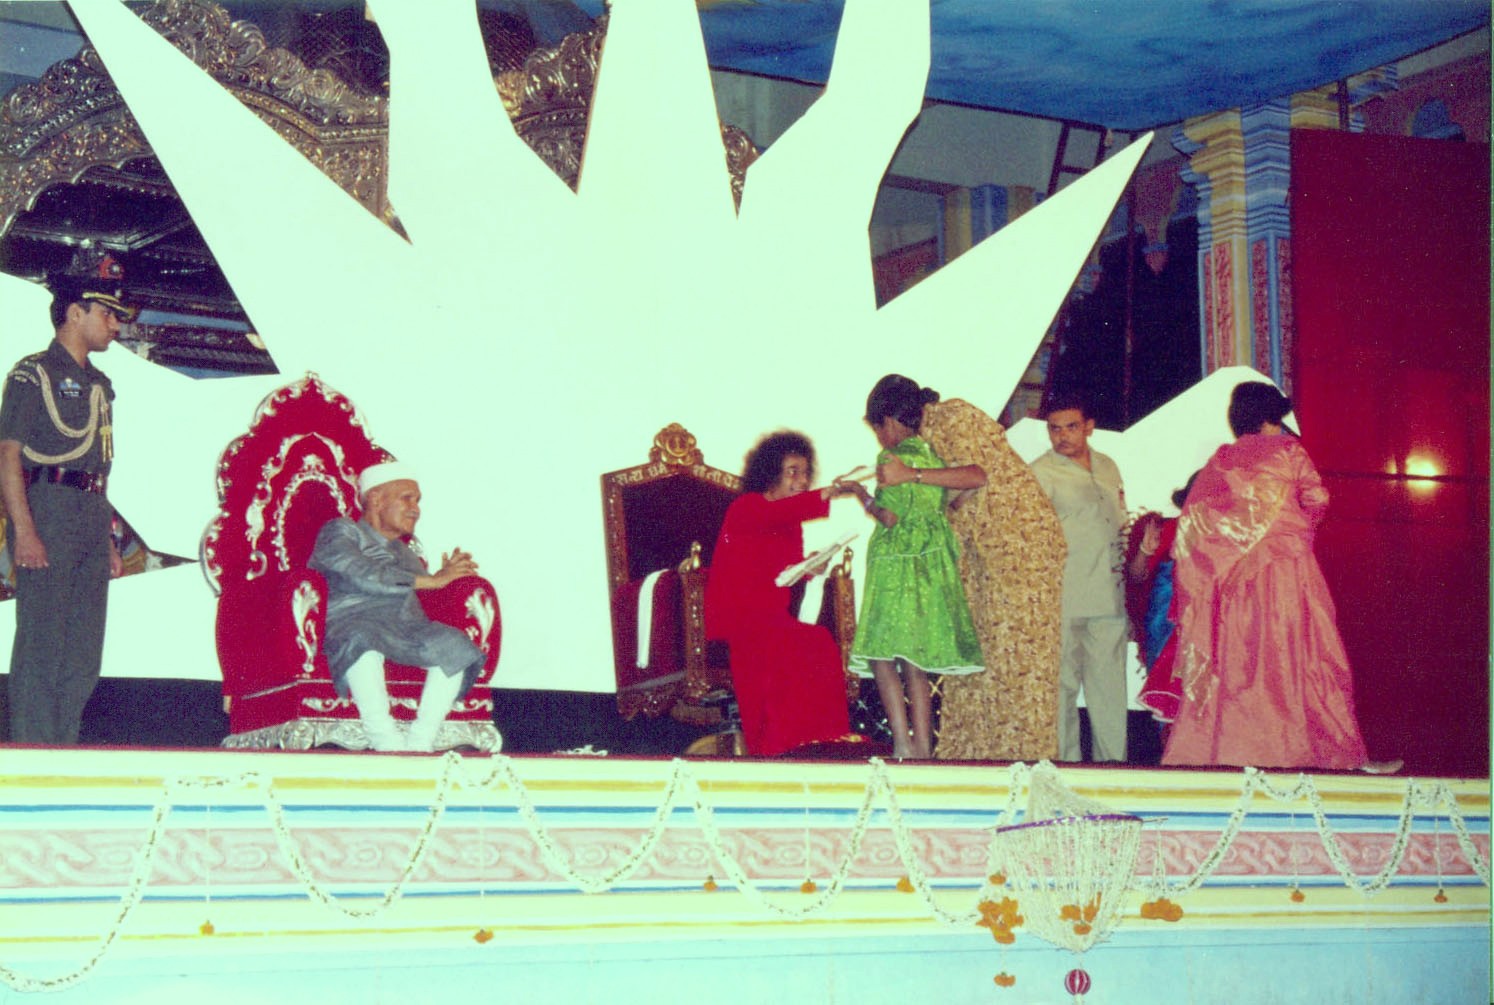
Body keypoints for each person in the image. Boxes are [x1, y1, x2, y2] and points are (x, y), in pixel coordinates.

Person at [1161, 382, 1399, 772]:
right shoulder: (1289, 450)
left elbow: (1196, 516)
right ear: (1271, 417)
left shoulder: (1223, 459)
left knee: (1241, 660)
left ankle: (1229, 751)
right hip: (1289, 571)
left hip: (1237, 580)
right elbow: (1317, 499)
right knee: (1305, 655)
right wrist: (1291, 529)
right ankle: (1320, 752)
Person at [0, 270, 133, 744]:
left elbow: (99, 466)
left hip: (91, 514)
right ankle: (34, 751)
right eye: (107, 314)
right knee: (42, 642)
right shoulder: (33, 373)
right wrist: (24, 531)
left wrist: (108, 540)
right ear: (76, 313)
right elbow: (8, 455)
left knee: (83, 649)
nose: (115, 324)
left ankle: (64, 748)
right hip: (48, 508)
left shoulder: (99, 383)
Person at [845, 375, 986, 760]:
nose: (879, 438)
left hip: (896, 567)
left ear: (889, 422)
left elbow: (890, 517)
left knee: (882, 655)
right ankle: (924, 746)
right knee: (915, 662)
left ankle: (902, 743)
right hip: (932, 566)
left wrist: (862, 496)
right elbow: (958, 493)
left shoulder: (891, 458)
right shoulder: (932, 454)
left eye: (877, 429)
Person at [920, 397, 1066, 762]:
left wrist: (912, 476)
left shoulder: (949, 417)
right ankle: (985, 758)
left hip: (1016, 556)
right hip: (999, 558)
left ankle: (1023, 764)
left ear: (889, 420)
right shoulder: (943, 425)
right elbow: (966, 494)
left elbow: (975, 475)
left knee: (1021, 669)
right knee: (990, 665)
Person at [308, 461, 484, 752]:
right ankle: (384, 739)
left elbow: (426, 589)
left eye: (418, 501)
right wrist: (431, 581)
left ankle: (421, 741)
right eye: (407, 498)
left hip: (405, 627)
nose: (416, 509)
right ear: (376, 499)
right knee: (362, 638)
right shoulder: (341, 530)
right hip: (353, 618)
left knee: (456, 645)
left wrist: (445, 577)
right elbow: (356, 570)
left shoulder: (404, 551)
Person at [704, 431, 857, 756]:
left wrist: (810, 566)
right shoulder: (747, 506)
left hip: (773, 619)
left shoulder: (791, 522)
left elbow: (784, 571)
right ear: (771, 474)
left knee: (819, 641)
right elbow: (772, 517)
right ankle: (779, 744)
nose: (802, 480)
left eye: (805, 473)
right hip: (742, 620)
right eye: (793, 472)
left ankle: (822, 741)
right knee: (788, 647)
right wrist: (827, 493)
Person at [1029, 390, 1129, 763]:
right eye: (1054, 429)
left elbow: (1120, 521)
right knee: (1061, 689)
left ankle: (1114, 770)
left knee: (1110, 690)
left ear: (1089, 427)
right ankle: (1064, 771)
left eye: (1071, 427)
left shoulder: (1108, 466)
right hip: (1064, 595)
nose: (1062, 436)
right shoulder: (1040, 472)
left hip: (1109, 594)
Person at [1123, 474, 1199, 740]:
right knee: (1168, 700)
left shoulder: (1229, 536)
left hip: (1205, 629)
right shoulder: (1166, 528)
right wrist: (1145, 551)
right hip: (1165, 626)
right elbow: (1136, 578)